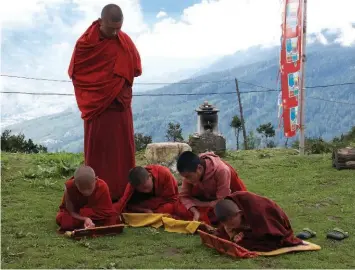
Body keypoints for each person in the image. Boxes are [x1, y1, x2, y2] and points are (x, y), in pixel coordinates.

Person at [68, 4, 142, 201]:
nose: (115, 32)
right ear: (101, 22)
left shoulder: (124, 40)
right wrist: (103, 87)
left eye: (119, 28)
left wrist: (118, 84)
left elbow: (134, 68)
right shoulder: (85, 45)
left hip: (120, 107)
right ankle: (96, 191)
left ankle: (125, 192)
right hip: (98, 107)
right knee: (100, 152)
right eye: (111, 29)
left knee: (122, 151)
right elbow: (79, 74)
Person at [213, 191, 303, 252]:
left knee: (263, 243)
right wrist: (232, 234)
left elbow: (270, 235)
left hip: (273, 221)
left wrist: (245, 236)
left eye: (232, 224)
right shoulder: (230, 207)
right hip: (250, 222)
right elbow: (227, 228)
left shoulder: (257, 212)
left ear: (239, 213)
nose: (232, 227)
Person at [174, 151, 247, 224]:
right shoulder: (191, 172)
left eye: (188, 177)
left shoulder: (221, 170)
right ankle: (200, 215)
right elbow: (183, 196)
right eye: (184, 177)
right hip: (208, 200)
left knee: (223, 212)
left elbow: (222, 201)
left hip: (228, 200)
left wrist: (199, 203)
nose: (186, 180)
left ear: (199, 168)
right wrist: (196, 212)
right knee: (179, 206)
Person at [56, 166, 118, 231]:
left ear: (95, 180)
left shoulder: (102, 186)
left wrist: (87, 214)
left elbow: (106, 210)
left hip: (95, 213)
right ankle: (88, 223)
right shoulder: (70, 187)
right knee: (61, 218)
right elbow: (71, 212)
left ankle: (86, 224)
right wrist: (85, 218)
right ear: (75, 183)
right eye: (82, 189)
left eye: (89, 188)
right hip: (78, 215)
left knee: (112, 219)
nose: (86, 192)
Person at [114, 165, 178, 214]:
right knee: (126, 209)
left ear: (149, 176)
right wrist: (143, 210)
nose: (145, 191)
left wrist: (153, 209)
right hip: (146, 203)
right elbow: (123, 203)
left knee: (173, 208)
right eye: (140, 189)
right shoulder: (131, 185)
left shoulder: (164, 174)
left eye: (145, 187)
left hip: (163, 201)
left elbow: (173, 200)